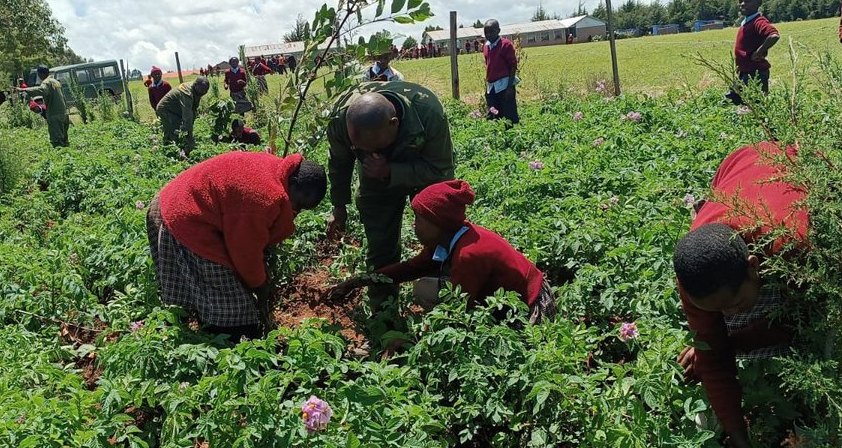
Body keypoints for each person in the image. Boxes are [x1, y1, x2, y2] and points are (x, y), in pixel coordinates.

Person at [672, 142, 811, 448]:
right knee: (713, 344)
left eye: (732, 304)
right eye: (718, 310)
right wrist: (741, 445)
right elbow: (716, 361)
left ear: (754, 267)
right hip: (736, 167)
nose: (729, 314)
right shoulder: (695, 274)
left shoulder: (795, 247)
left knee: (807, 336)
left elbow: (800, 323)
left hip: (790, 167)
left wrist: (734, 342)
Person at [147, 152, 327, 342]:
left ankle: (190, 335)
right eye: (299, 204)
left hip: (177, 203)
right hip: (181, 218)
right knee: (235, 316)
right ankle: (203, 344)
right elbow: (244, 253)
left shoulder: (279, 171)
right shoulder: (264, 199)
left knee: (215, 295)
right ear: (295, 186)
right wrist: (259, 285)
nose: (296, 212)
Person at [330, 179, 556, 324]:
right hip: (505, 297)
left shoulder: (468, 254)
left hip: (532, 306)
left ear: (437, 223)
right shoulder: (448, 239)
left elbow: (457, 312)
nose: (413, 225)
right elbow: (410, 269)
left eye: (418, 218)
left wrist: (416, 341)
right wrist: (359, 281)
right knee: (426, 287)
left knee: (438, 298)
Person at [325, 81, 455, 316]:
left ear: (393, 124)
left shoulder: (428, 113)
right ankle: (384, 316)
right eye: (361, 149)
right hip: (374, 179)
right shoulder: (341, 121)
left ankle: (441, 304)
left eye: (374, 146)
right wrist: (339, 206)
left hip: (423, 177)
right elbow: (340, 162)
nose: (370, 153)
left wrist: (391, 171)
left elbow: (441, 170)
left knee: (438, 239)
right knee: (381, 247)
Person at [726, 0, 780, 106]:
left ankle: (762, 123)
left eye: (748, 1)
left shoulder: (758, 21)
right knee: (730, 100)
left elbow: (774, 35)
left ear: (758, 3)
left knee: (755, 104)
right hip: (744, 73)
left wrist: (760, 51)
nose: (742, 4)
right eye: (740, 1)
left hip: (756, 73)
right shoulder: (746, 22)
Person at [17, 65, 71, 147]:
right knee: (65, 140)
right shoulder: (56, 82)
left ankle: (61, 156)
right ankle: (68, 155)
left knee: (57, 142)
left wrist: (24, 90)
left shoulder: (46, 82)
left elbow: (42, 90)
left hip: (54, 115)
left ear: (39, 74)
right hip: (63, 113)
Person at [155, 76, 210, 152]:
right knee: (173, 131)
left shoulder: (197, 90)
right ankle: (170, 151)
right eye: (201, 91)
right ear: (195, 85)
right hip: (166, 109)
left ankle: (178, 146)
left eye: (205, 91)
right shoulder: (187, 93)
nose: (203, 93)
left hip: (175, 110)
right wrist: (189, 135)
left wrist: (189, 130)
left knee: (178, 129)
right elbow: (187, 115)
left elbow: (193, 110)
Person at [482, 19, 519, 124]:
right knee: (493, 113)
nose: (488, 35)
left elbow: (513, 66)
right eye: (486, 33)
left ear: (498, 31)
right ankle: (495, 135)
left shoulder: (505, 44)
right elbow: (488, 65)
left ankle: (512, 136)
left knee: (508, 114)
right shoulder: (486, 46)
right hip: (492, 87)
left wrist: (509, 88)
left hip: (504, 86)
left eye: (491, 32)